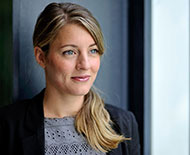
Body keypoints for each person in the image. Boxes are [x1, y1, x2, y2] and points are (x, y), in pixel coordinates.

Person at [0, 2, 140, 155]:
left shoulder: (123, 123)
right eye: (70, 52)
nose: (85, 65)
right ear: (41, 57)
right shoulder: (7, 125)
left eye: (93, 50)